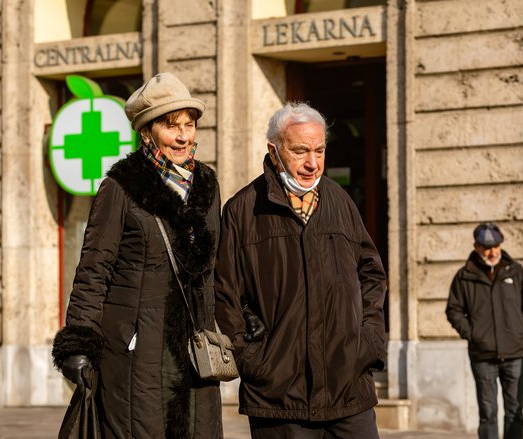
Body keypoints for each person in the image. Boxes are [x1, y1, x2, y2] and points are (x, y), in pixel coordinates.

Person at [51, 72, 223, 438]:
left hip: (195, 352)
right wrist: (79, 344)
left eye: (189, 125)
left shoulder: (207, 186)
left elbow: (214, 267)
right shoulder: (120, 187)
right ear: (147, 132)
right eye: (171, 126)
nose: (183, 136)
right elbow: (94, 270)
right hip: (135, 352)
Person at [215, 102, 387, 438]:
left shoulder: (340, 200)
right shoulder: (242, 211)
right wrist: (253, 361)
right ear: (274, 150)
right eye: (300, 151)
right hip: (278, 397)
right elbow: (224, 295)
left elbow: (371, 275)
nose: (312, 163)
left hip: (348, 390)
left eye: (319, 150)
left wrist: (368, 342)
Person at [446, 223, 523, 439]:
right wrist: (473, 334)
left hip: (514, 352)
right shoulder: (464, 276)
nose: (492, 252)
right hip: (482, 355)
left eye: (496, 246)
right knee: (488, 413)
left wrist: (522, 327)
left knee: (515, 411)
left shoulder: (515, 271)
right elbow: (454, 310)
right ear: (476, 247)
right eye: (487, 247)